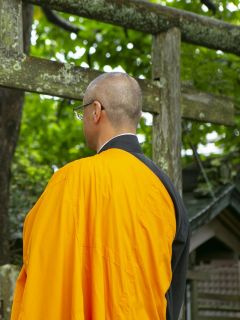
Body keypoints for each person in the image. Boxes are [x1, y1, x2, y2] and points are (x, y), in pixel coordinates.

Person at [10, 72, 190, 320]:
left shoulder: (69, 180)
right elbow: (174, 292)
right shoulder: (165, 190)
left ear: (96, 111)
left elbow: (42, 272)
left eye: (81, 110)